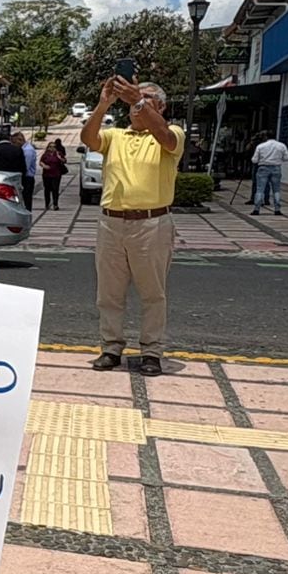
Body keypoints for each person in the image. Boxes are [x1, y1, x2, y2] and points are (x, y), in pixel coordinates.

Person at [82, 75, 184, 377]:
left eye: (146, 97)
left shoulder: (170, 133)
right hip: (112, 222)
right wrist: (103, 104)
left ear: (161, 106)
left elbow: (167, 138)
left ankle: (151, 351)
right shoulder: (116, 136)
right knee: (109, 292)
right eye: (133, 98)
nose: (136, 101)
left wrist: (137, 100)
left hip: (152, 222)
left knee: (152, 292)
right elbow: (89, 138)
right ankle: (111, 347)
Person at [250, 132, 288, 216]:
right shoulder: (281, 146)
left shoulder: (260, 146)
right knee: (276, 189)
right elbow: (287, 158)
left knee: (260, 189)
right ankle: (277, 209)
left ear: (266, 137)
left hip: (263, 168)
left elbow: (254, 160)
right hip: (276, 168)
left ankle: (256, 209)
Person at [40, 138, 68, 210]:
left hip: (56, 174)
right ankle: (47, 203)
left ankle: (55, 204)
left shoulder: (58, 153)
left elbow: (64, 161)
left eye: (54, 147)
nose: (52, 148)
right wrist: (44, 165)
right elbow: (41, 162)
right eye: (50, 146)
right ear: (48, 147)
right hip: (46, 175)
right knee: (47, 189)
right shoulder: (45, 155)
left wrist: (59, 158)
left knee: (55, 189)